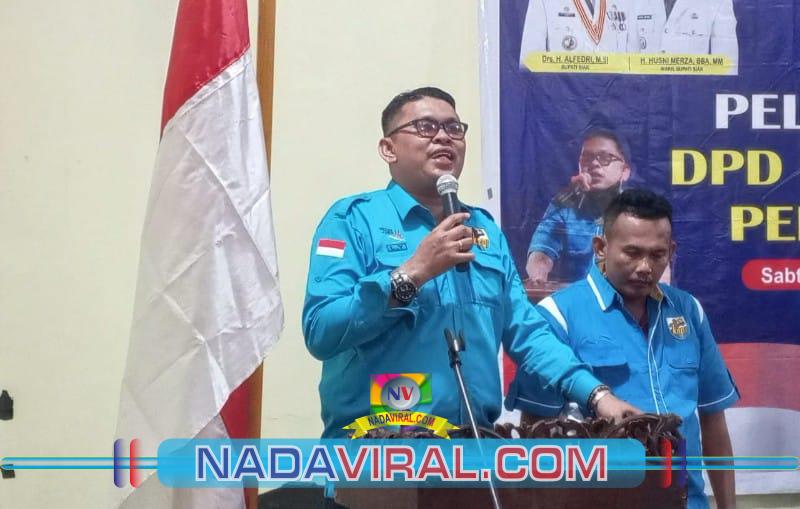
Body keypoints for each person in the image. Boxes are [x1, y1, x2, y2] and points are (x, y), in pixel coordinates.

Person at [302, 87, 639, 440]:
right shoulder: (354, 220)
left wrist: (597, 396)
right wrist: (412, 274)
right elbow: (321, 331)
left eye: (453, 128)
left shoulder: (485, 231)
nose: (443, 137)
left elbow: (527, 332)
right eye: (425, 127)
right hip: (378, 448)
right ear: (389, 148)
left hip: (473, 447)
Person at [508, 189, 739, 509]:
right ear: (601, 247)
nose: (645, 266)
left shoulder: (688, 311)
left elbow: (713, 420)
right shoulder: (558, 316)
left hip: (687, 501)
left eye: (657, 255)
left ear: (671, 251)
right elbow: (535, 430)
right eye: (632, 253)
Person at [526, 128, 631, 285]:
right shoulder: (564, 205)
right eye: (587, 158)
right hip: (576, 297)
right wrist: (538, 277)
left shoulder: (637, 210)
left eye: (605, 158)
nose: (594, 164)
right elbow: (541, 252)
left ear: (625, 171)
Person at [629, 0, 738, 74]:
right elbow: (630, 62)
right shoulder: (636, 2)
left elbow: (726, 68)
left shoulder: (718, 2)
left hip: (692, 94)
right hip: (649, 96)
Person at [519, 0, 635, 69]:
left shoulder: (628, 2)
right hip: (565, 98)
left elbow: (635, 63)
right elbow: (529, 62)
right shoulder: (544, 1)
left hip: (614, 98)